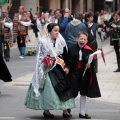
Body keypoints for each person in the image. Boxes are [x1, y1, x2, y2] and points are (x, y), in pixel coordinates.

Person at [24, 23, 75, 119]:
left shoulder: (61, 41)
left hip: (59, 67)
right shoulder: (43, 41)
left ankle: (66, 110)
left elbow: (65, 55)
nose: (57, 32)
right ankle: (46, 111)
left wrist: (67, 67)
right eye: (55, 30)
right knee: (48, 90)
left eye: (58, 30)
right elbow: (39, 56)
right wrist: (45, 61)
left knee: (64, 87)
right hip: (47, 68)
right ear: (49, 31)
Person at [68, 31, 101, 119]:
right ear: (77, 39)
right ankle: (68, 108)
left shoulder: (89, 50)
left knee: (84, 92)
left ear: (86, 41)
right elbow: (67, 61)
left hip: (84, 73)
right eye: (81, 39)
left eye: (84, 39)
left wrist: (89, 65)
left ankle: (82, 112)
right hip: (73, 73)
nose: (82, 41)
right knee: (73, 91)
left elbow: (92, 61)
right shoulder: (71, 48)